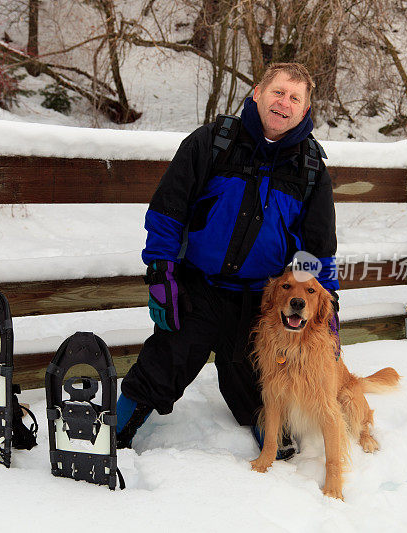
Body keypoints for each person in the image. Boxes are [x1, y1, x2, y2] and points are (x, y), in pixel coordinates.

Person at [115, 63, 340, 458]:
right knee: (167, 359)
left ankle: (269, 427)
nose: (283, 103)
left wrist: (328, 309)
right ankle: (115, 430)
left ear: (305, 111)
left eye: (295, 99)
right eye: (278, 92)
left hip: (260, 298)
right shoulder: (212, 142)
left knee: (257, 378)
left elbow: (316, 250)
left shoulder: (309, 168)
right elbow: (169, 211)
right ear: (258, 92)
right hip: (197, 284)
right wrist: (161, 274)